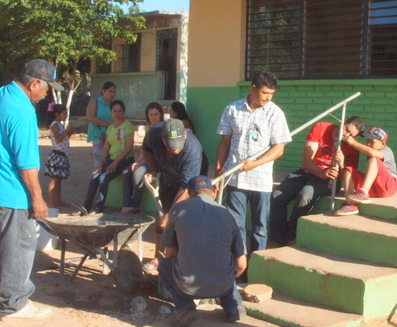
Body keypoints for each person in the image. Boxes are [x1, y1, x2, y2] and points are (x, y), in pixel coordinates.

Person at [0, 59, 62, 320]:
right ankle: (15, 303)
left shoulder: (2, 93)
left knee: (1, 243)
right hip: (12, 191)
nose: (47, 95)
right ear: (34, 84)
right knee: (20, 244)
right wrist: (38, 198)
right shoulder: (22, 112)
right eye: (46, 88)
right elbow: (26, 165)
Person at [215, 71, 292, 262]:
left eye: (271, 94)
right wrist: (219, 173)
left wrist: (255, 164)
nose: (268, 97)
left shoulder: (275, 113)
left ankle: (256, 265)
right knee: (235, 223)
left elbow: (279, 148)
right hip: (235, 178)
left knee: (259, 227)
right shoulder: (232, 109)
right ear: (253, 88)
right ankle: (239, 264)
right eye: (265, 92)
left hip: (261, 180)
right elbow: (224, 143)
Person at [158, 175, 247, 327]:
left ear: (190, 194)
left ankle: (185, 307)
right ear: (214, 192)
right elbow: (241, 264)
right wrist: (225, 278)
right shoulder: (228, 214)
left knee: (164, 265)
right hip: (222, 284)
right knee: (226, 265)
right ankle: (233, 307)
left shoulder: (177, 209)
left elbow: (170, 254)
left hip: (187, 286)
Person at [269, 116, 366, 246]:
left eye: (351, 135)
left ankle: (292, 235)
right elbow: (306, 159)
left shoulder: (352, 147)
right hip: (308, 171)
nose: (345, 135)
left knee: (305, 194)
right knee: (277, 196)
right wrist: (321, 172)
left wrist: (341, 163)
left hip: (330, 179)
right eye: (346, 129)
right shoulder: (321, 128)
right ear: (343, 121)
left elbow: (347, 176)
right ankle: (277, 239)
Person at [141, 118, 209, 273]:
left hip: (189, 186)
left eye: (178, 147)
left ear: (184, 135)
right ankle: (158, 258)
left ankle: (182, 263)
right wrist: (152, 169)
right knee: (161, 222)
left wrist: (170, 214)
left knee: (180, 224)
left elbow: (186, 188)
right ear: (163, 139)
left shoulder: (193, 150)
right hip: (167, 178)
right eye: (171, 147)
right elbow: (146, 150)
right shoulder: (153, 134)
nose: (175, 150)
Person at [83, 99, 134, 213]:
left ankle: (99, 208)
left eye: (120, 111)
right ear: (111, 112)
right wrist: (100, 165)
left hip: (124, 160)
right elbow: (106, 148)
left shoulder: (128, 125)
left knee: (103, 178)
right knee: (95, 176)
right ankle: (86, 207)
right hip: (111, 160)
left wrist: (115, 162)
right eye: (115, 111)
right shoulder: (110, 128)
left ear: (123, 112)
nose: (117, 114)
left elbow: (129, 147)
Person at [334, 126, 397, 216]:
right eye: (367, 140)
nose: (368, 143)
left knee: (374, 158)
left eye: (372, 141)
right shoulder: (371, 149)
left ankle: (363, 193)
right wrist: (341, 164)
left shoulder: (386, 151)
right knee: (349, 170)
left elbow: (372, 153)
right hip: (374, 187)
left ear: (382, 144)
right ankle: (349, 204)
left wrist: (353, 143)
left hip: (389, 188)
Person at [121, 102, 165, 213]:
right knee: (127, 171)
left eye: (156, 114)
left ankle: (136, 206)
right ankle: (127, 204)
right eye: (151, 115)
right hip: (147, 159)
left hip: (157, 161)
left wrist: (141, 163)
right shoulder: (148, 127)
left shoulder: (163, 128)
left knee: (137, 173)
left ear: (160, 115)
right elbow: (145, 149)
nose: (154, 117)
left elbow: (155, 153)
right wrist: (138, 161)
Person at [44, 103, 75, 208]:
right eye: (64, 114)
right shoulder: (54, 125)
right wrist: (67, 130)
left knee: (59, 179)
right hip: (57, 155)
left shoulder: (59, 124)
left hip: (62, 154)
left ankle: (57, 200)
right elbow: (57, 139)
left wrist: (68, 132)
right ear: (57, 115)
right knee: (54, 179)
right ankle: (51, 202)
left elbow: (62, 137)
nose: (66, 116)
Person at [86, 81, 116, 167]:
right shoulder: (95, 102)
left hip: (111, 136)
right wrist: (106, 124)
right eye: (110, 91)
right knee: (99, 161)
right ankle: (97, 178)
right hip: (98, 135)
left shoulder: (114, 105)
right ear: (103, 91)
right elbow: (90, 117)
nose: (112, 94)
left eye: (114, 92)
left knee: (110, 159)